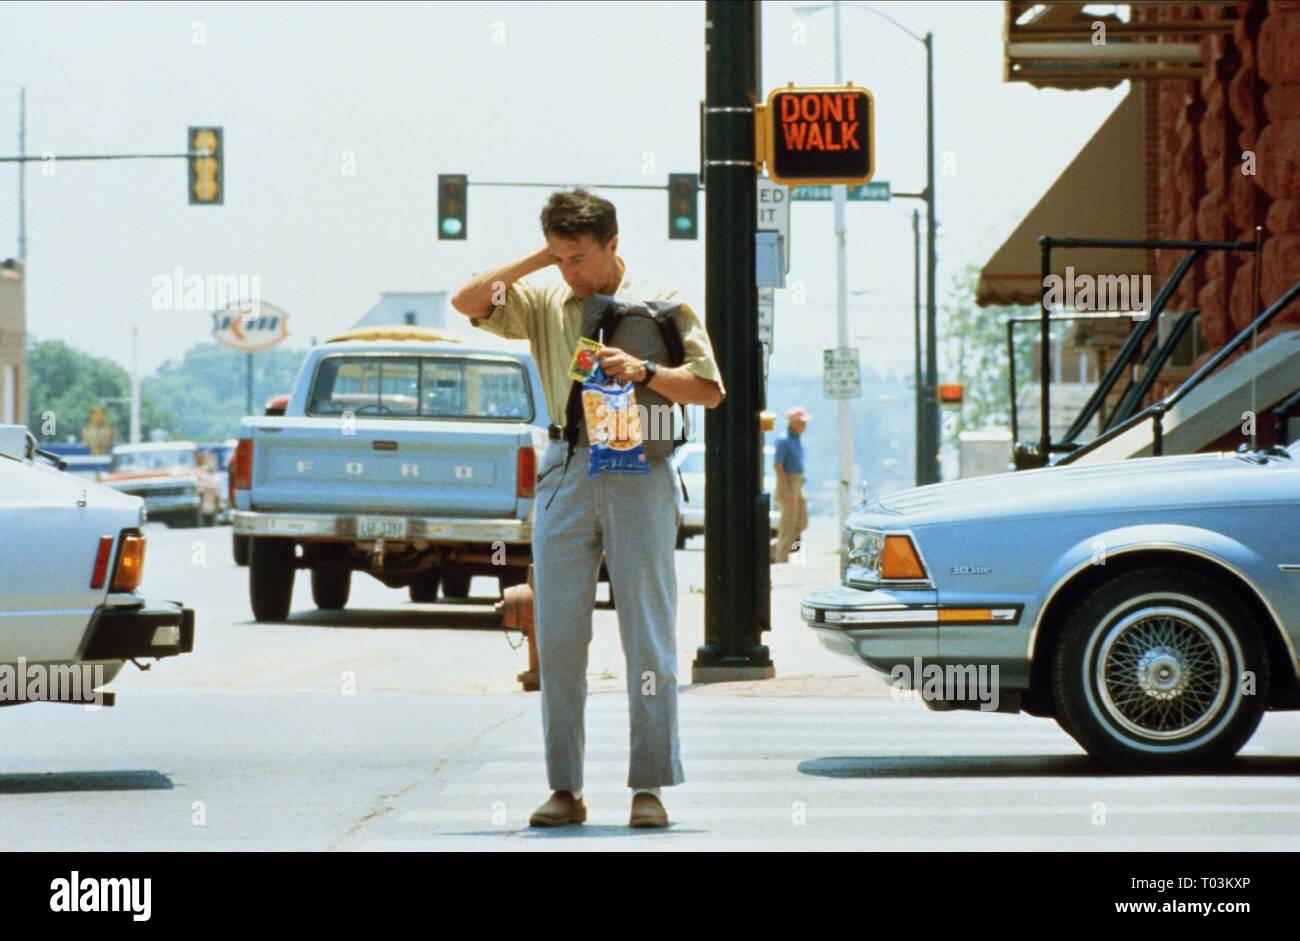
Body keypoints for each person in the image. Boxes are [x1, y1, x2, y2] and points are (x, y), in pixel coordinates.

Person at [449, 189, 725, 829]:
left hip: (639, 470)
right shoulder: (544, 301)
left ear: (613, 245)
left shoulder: (662, 300)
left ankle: (649, 786)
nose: (571, 271)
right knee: (559, 633)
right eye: (560, 256)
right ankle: (565, 788)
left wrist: (644, 370)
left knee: (647, 634)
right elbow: (466, 301)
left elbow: (710, 390)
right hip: (569, 465)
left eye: (579, 257)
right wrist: (536, 261)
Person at [772, 406, 811, 563]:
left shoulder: (796, 440)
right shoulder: (784, 440)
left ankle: (774, 550)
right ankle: (781, 558)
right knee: (788, 524)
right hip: (788, 483)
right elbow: (778, 465)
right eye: (801, 423)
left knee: (802, 522)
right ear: (793, 423)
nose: (804, 426)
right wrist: (787, 490)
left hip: (798, 484)